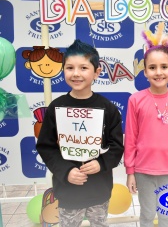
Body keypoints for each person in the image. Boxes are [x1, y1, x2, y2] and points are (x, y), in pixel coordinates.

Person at [36, 39, 124, 227]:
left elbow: (117, 148)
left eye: (83, 68)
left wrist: (101, 163)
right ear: (63, 70)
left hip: (99, 189)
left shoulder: (108, 109)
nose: (76, 74)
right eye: (70, 68)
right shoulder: (56, 107)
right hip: (68, 190)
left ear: (96, 73)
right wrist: (66, 171)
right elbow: (46, 146)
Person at [124, 22, 168, 227]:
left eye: (164, 67)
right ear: (145, 72)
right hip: (143, 170)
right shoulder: (136, 100)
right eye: (152, 67)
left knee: (167, 216)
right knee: (146, 215)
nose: (158, 72)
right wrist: (130, 171)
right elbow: (131, 137)